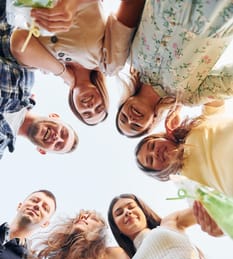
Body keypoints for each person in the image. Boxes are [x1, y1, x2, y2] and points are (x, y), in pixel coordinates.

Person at [10, 0, 146, 126]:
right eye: (99, 107)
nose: (91, 106)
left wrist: (64, 73)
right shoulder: (109, 63)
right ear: (104, 96)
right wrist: (71, 5)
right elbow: (131, 3)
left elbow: (18, 42)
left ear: (74, 105)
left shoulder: (46, 67)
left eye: (86, 113)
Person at [116, 0, 233, 137]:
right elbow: (227, 83)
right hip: (214, 13)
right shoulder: (187, 97)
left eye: (123, 117)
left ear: (124, 102)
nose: (131, 119)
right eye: (136, 126)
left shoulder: (129, 57)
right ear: (152, 122)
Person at [0, 2, 78, 158]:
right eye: (63, 133)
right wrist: (66, 75)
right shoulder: (26, 80)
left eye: (58, 145)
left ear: (42, 151)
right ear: (55, 116)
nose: (57, 137)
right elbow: (13, 37)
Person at [135, 100, 233, 197]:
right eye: (150, 160)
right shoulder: (187, 183)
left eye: (152, 146)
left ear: (162, 137)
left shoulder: (195, 127)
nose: (154, 153)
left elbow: (214, 98)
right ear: (158, 171)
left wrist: (178, 105)